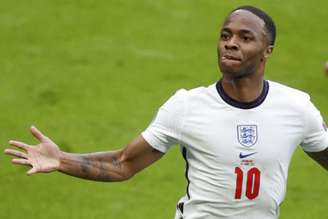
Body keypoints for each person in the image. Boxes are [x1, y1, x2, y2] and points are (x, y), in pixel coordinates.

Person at [4, 5, 328, 219]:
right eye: (225, 35)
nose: (231, 43)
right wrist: (61, 160)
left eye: (246, 38)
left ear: (267, 51)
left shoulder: (296, 108)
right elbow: (122, 163)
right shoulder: (187, 107)